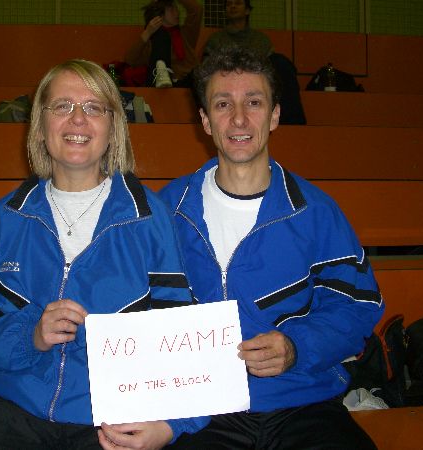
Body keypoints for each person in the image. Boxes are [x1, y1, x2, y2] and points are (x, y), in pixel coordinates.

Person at [0, 58, 208, 450]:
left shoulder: (153, 220)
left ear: (113, 128)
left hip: (111, 417)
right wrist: (30, 335)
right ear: (40, 124)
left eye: (94, 107)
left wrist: (171, 424)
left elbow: (190, 343)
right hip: (13, 404)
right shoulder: (5, 218)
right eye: (62, 106)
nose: (78, 119)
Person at [160, 45, 384, 449]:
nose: (239, 118)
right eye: (223, 104)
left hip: (303, 401)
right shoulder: (167, 211)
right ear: (205, 121)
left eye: (254, 102)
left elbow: (356, 306)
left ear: (275, 115)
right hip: (203, 408)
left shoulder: (316, 212)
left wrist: (297, 347)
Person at [203, 0, 306, 125]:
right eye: (229, 4)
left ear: (247, 10)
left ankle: (293, 122)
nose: (233, 6)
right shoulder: (215, 40)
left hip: (257, 82)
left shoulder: (260, 39)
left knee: (281, 63)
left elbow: (269, 70)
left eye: (238, 3)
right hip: (226, 82)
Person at [125, 0, 202, 88]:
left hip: (188, 81)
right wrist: (147, 33)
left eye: (176, 9)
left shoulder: (185, 33)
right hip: (162, 84)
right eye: (172, 9)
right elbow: (130, 60)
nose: (177, 13)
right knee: (161, 35)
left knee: (198, 75)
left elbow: (196, 10)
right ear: (159, 16)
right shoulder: (152, 43)